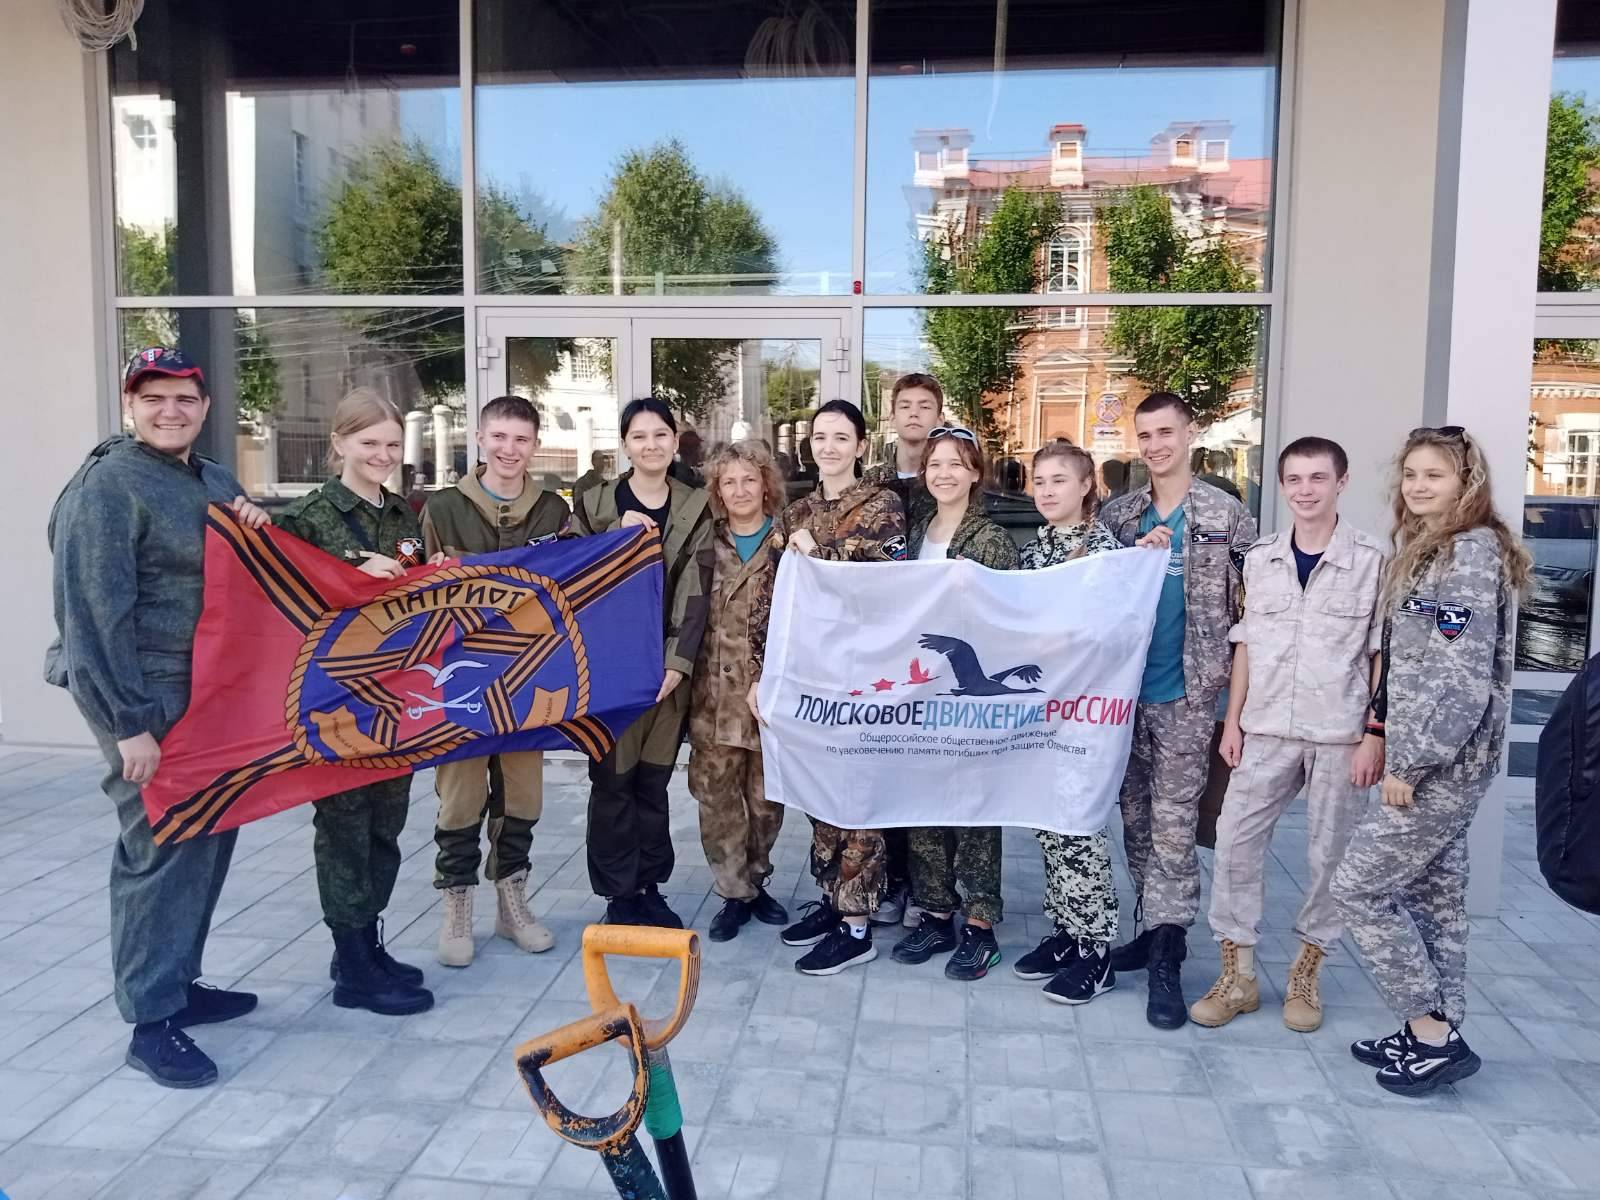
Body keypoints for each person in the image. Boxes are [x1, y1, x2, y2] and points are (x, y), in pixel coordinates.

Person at [46, 347, 269, 1088]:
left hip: (212, 692)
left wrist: (256, 523)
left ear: (205, 407)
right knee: (159, 849)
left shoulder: (211, 477)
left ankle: (179, 985)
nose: (170, 411)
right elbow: (91, 617)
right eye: (154, 398)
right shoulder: (108, 487)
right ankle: (150, 1021)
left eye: (183, 399)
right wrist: (126, 722)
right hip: (146, 693)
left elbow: (246, 565)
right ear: (130, 405)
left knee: (206, 837)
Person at [1332, 426, 1529, 1095]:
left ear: (1466, 483)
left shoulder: (1469, 553)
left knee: (1358, 889)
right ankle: (1432, 1032)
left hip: (1436, 769)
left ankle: (1432, 1031)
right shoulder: (1429, 547)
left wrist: (1408, 766)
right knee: (1433, 898)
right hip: (1433, 761)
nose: (1418, 486)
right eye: (1412, 474)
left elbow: (1460, 681)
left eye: (1434, 475)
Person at [1190, 437, 1386, 1032]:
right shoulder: (1262, 557)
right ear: (1281, 486)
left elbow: (1382, 654)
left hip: (1339, 732)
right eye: (1294, 479)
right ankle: (1239, 975)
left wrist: (1375, 733)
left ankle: (1308, 971)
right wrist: (1232, 721)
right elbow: (1246, 643)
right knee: (1234, 842)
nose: (1306, 490)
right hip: (1267, 727)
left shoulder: (1372, 559)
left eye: (1317, 478)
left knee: (1330, 854)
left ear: (1341, 483)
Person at [1100, 392, 1257, 1029]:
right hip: (1121, 696)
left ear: (1190, 434)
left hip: (1188, 699)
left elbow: (1251, 618)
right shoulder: (1119, 516)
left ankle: (1168, 952)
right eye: (1145, 435)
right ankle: (1151, 926)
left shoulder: (1226, 514)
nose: (1155, 446)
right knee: (1135, 820)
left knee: (1173, 825)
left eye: (1166, 432)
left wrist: (1236, 712)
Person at [276, 389, 435, 1018]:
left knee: (385, 825)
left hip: (393, 699)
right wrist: (349, 575)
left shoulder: (402, 514)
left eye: (392, 444)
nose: (383, 455)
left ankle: (364, 947)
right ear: (338, 443)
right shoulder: (306, 518)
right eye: (369, 443)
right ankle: (353, 965)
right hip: (334, 701)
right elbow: (282, 600)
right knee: (344, 828)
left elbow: (411, 592)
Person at [748, 399, 907, 975]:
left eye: (842, 437)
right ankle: (832, 900)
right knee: (818, 793)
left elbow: (890, 588)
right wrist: (760, 673)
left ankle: (858, 925)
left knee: (856, 797)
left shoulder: (884, 506)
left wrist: (824, 554)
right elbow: (769, 598)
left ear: (861, 445)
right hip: (808, 677)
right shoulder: (796, 512)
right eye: (820, 437)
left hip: (862, 678)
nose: (830, 447)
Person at [421, 395, 569, 967]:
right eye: (499, 437)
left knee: (522, 795)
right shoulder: (442, 509)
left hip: (527, 679)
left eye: (521, 439)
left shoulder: (553, 511)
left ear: (535, 445)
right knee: (460, 797)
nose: (510, 449)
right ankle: (456, 904)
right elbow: (412, 596)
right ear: (479, 438)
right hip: (459, 681)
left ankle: (512, 902)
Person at [574, 396, 713, 928]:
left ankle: (650, 885)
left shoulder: (696, 505)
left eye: (660, 435)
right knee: (613, 782)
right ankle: (619, 893)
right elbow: (569, 574)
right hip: (610, 671)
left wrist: (677, 662)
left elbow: (697, 585)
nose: (651, 445)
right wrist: (615, 535)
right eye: (639, 436)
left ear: (675, 441)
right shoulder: (595, 503)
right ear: (625, 444)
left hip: (667, 672)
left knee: (653, 783)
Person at [889, 426, 1018, 981]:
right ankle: (936, 911)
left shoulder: (991, 539)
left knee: (973, 808)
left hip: (969, 698)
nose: (944, 474)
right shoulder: (914, 531)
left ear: (974, 474)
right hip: (921, 693)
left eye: (956, 464)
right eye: (935, 464)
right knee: (925, 802)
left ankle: (981, 925)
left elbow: (1009, 619)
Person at [1009, 442, 1126, 1005]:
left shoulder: (1103, 553)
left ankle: (1096, 951)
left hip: (1083, 716)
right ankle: (1065, 930)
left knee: (1080, 829)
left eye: (1060, 480)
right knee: (1050, 823)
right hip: (1041, 713)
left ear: (1086, 487)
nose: (1048, 490)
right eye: (1040, 481)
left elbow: (1108, 635)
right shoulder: (1034, 552)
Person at [689, 440, 790, 942]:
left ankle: (757, 876)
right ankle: (733, 892)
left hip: (771, 699)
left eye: (749, 479)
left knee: (767, 802)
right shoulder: (704, 543)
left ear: (766, 485)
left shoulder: (789, 542)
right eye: (729, 481)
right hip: (713, 700)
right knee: (717, 800)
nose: (740, 490)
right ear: (717, 490)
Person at [860, 371, 944, 927]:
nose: (914, 413)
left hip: (934, 645)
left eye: (924, 405)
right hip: (883, 641)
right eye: (905, 405)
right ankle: (890, 881)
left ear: (938, 414)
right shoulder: (873, 480)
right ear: (892, 414)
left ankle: (929, 886)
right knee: (885, 763)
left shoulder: (948, 471)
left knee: (927, 768)